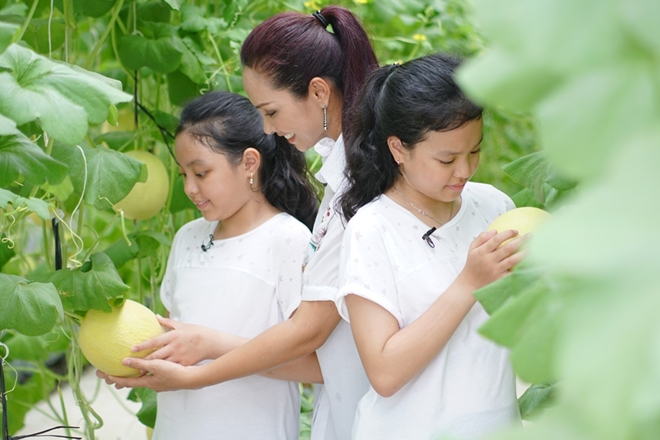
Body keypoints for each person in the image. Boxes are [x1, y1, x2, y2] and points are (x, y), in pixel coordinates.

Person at [100, 6, 378, 440]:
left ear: (319, 92)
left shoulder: (337, 201)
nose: (267, 127)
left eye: (271, 110)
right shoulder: (341, 178)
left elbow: (311, 338)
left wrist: (203, 356)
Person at [336, 53, 525, 439]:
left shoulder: (494, 206)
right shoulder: (372, 231)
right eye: (447, 159)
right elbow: (384, 373)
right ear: (398, 149)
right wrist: (469, 282)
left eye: (474, 151)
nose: (464, 170)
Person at [132, 90, 321, 440]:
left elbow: (317, 366)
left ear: (249, 163)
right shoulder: (187, 237)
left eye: (201, 173)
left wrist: (211, 345)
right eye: (183, 174)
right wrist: (132, 361)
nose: (189, 188)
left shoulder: (289, 240)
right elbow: (173, 341)